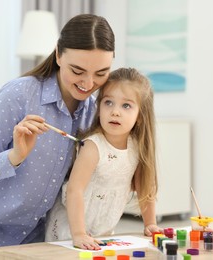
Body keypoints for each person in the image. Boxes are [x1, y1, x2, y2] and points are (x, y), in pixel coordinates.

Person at [0, 14, 115, 260]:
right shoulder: (19, 95)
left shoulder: (92, 112)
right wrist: (15, 156)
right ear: (58, 55)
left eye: (101, 73)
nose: (88, 83)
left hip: (29, 235)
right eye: (78, 70)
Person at [45, 67, 163, 250]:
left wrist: (150, 223)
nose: (115, 111)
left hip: (103, 231)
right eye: (108, 102)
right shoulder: (93, 146)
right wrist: (78, 234)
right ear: (99, 108)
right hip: (70, 230)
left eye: (126, 106)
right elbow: (74, 190)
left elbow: (145, 187)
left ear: (140, 116)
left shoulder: (136, 149)